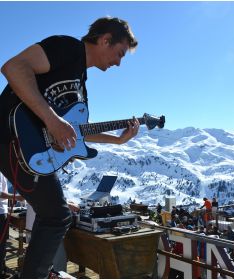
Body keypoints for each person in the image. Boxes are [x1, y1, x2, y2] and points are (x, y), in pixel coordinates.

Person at [0, 17, 139, 278]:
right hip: (11, 139)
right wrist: (52, 120)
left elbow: (76, 133)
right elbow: (14, 67)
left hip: (33, 154)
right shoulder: (66, 47)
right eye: (119, 53)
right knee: (56, 216)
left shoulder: (80, 80)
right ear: (104, 39)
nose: (119, 62)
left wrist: (119, 140)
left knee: (55, 215)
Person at [0, 173, 24, 278]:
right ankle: (1, 272)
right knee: (1, 244)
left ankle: (2, 269)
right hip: (0, 213)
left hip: (2, 211)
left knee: (2, 243)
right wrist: (16, 197)